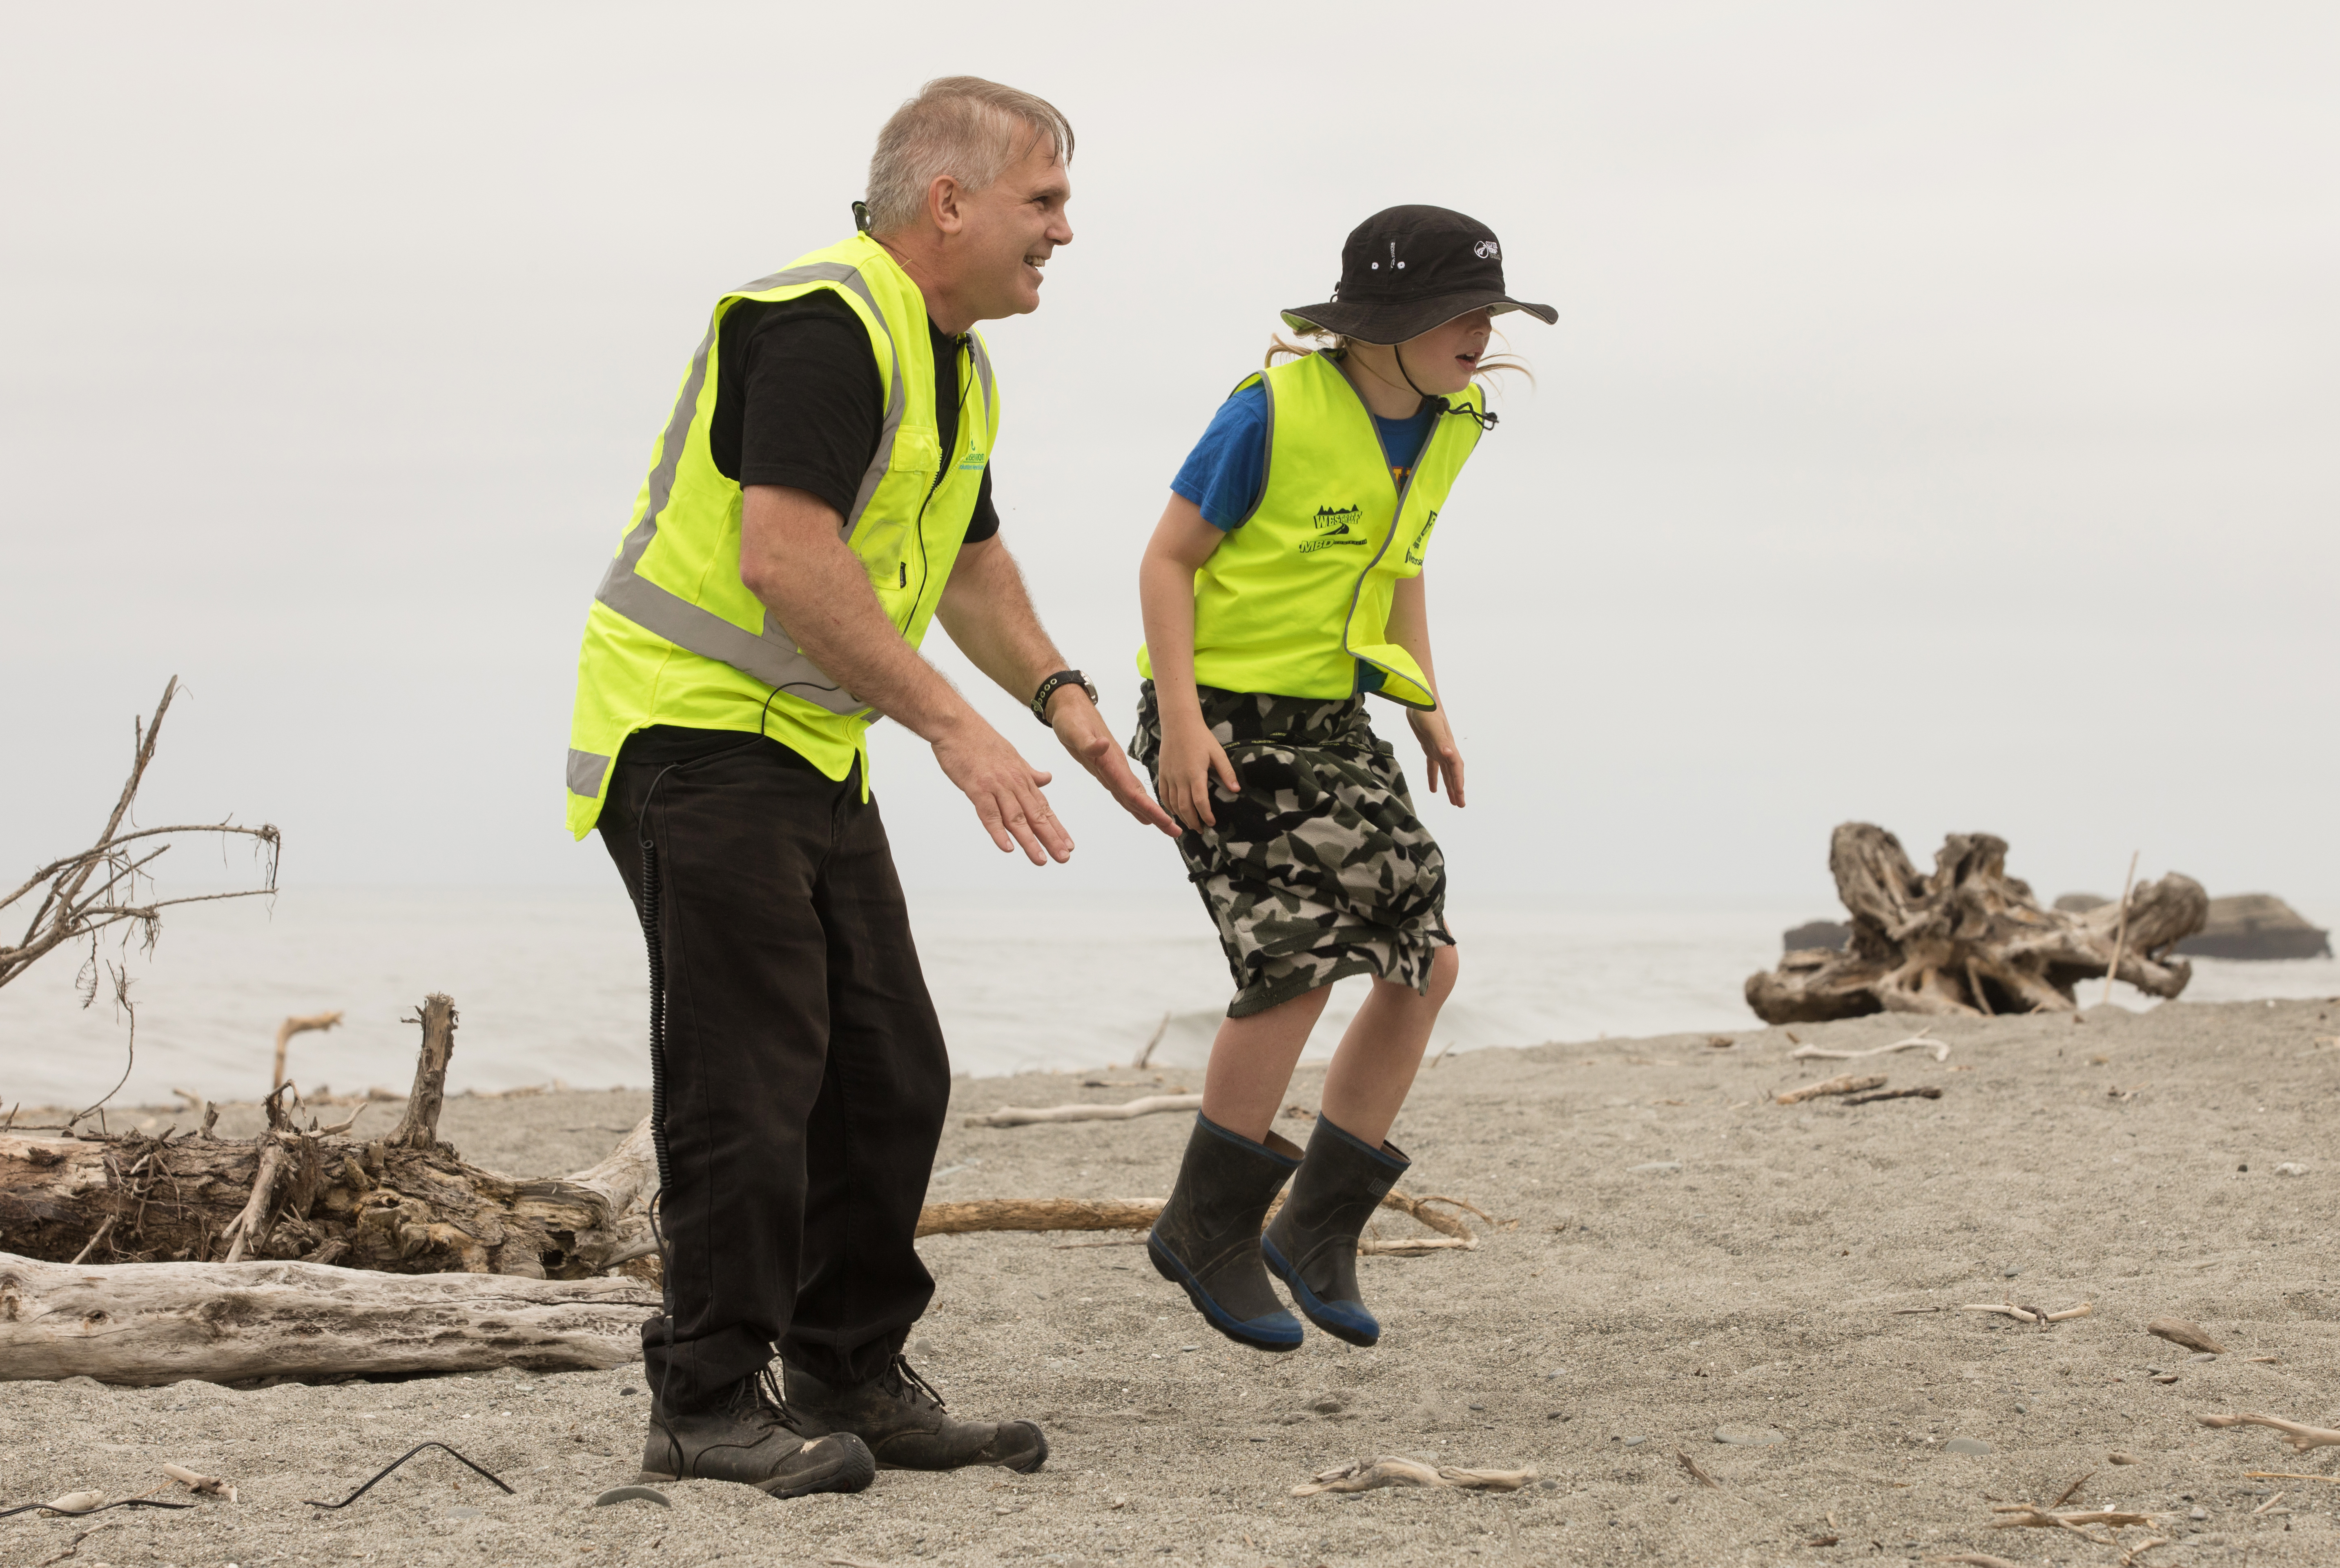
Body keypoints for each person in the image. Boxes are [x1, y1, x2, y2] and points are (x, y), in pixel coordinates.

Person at [564, 76, 1177, 1499]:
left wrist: (1067, 706)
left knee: (893, 1077)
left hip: (806, 749)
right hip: (687, 738)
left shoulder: (951, 357)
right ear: (946, 202)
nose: (1065, 233)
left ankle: (848, 1371)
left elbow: (968, 565)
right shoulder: (822, 322)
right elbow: (785, 559)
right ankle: (705, 1401)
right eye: (1046, 201)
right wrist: (958, 736)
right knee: (750, 1082)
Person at [1132, 206, 1552, 1352]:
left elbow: (1401, 563)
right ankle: (1202, 1226)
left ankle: (1315, 1225)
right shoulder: (1268, 413)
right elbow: (1166, 562)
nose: (1476, 333)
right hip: (1213, 715)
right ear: (1374, 327)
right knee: (1298, 961)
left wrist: (1425, 704)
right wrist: (1175, 723)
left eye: (1487, 313)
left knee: (1428, 961)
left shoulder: (1454, 420)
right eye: (1451, 315)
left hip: (1332, 716)